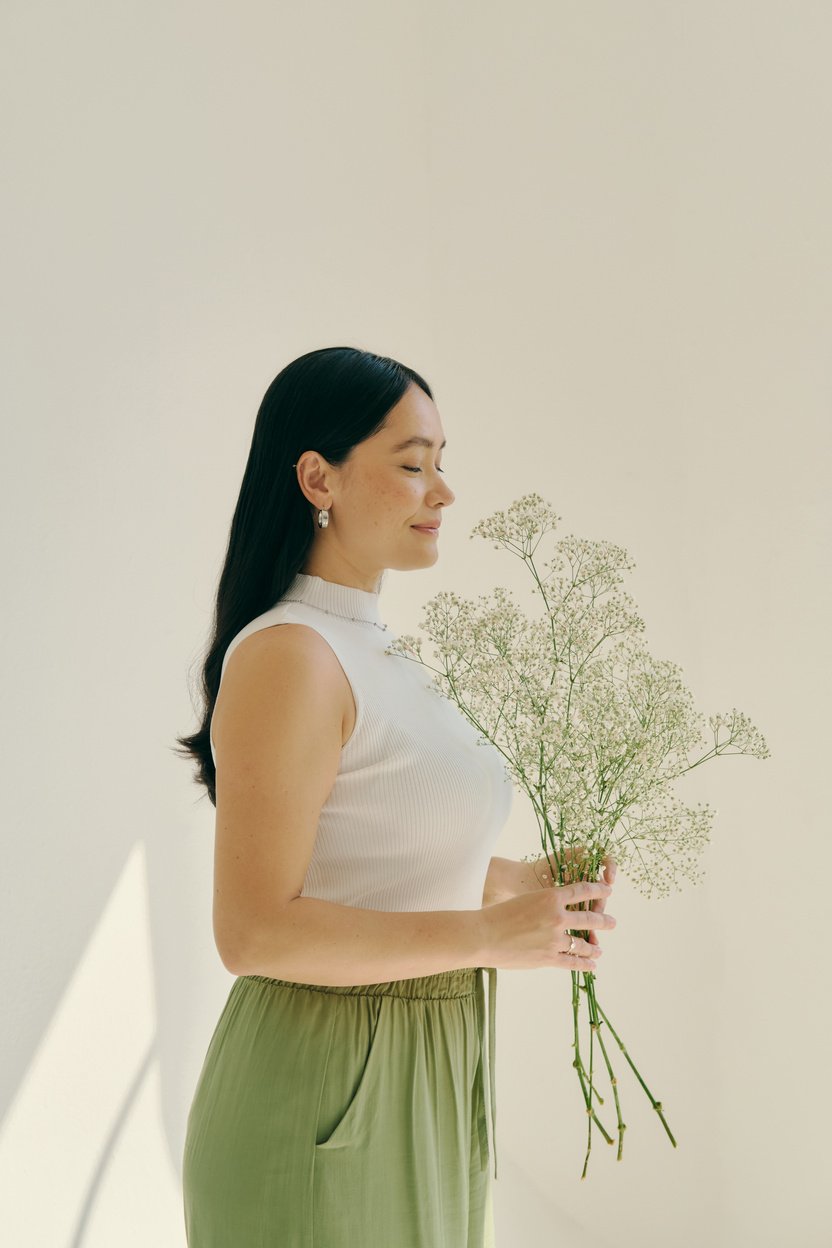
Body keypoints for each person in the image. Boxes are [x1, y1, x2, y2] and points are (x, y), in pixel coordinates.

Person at [175, 346, 617, 1247]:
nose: (443, 492)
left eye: (442, 463)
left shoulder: (381, 654)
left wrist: (520, 882)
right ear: (317, 477)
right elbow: (253, 931)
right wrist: (490, 936)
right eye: (414, 465)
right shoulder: (291, 655)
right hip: (323, 1081)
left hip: (435, 1063)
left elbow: (373, 849)